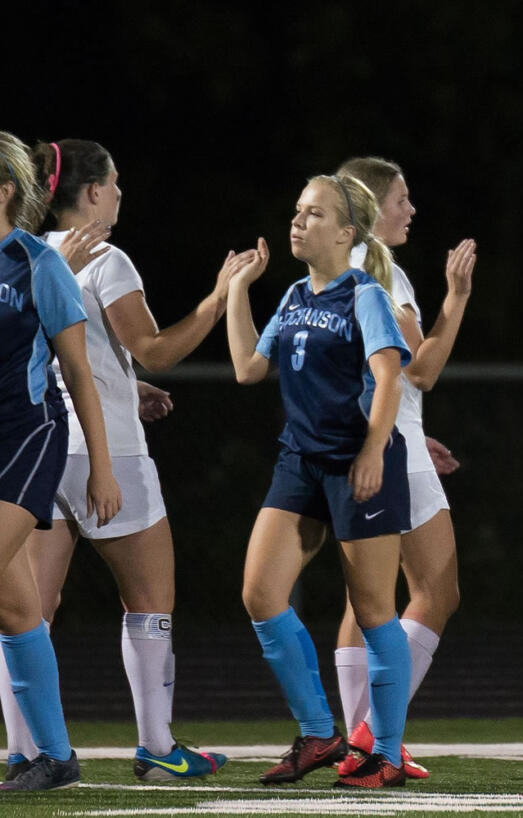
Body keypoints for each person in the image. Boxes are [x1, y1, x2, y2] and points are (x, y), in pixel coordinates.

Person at [1, 139, 241, 782]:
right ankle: (159, 751)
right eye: (116, 183)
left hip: (38, 451)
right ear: (95, 192)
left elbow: (49, 356)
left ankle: (26, 751)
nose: (121, 194)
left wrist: (125, 384)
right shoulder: (106, 257)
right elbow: (155, 347)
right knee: (150, 600)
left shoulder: (31, 254)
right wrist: (219, 298)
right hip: (106, 453)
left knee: (27, 609)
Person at [226, 174, 413, 789]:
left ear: (346, 232)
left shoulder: (365, 296)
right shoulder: (294, 295)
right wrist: (237, 291)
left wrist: (373, 450)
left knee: (375, 610)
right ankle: (319, 733)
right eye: (297, 210)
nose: (298, 221)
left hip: (356, 461)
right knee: (260, 593)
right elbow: (248, 368)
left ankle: (385, 753)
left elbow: (389, 379)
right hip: (301, 462)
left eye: (313, 214)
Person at [330, 156, 476, 780]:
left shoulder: (335, 267)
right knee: (437, 592)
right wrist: (458, 297)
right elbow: (422, 367)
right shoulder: (382, 269)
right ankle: (373, 736)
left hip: (350, 442)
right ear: (370, 206)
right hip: (390, 448)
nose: (410, 210)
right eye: (401, 199)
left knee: (364, 601)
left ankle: (360, 743)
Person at [0, 131, 121, 791]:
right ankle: (54, 756)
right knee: (17, 610)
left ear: (6, 190)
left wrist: (100, 467)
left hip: (27, 438)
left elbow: (77, 373)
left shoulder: (35, 263)